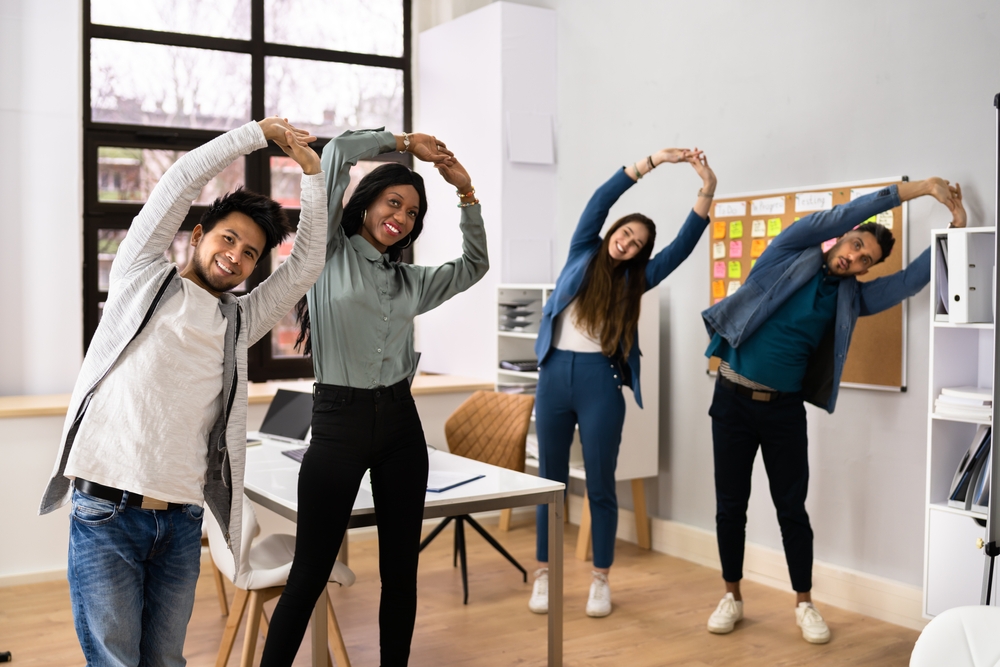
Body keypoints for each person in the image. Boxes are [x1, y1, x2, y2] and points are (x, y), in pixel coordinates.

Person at [38, 117, 327, 665]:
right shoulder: (141, 276)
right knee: (116, 661)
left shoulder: (241, 321)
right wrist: (256, 133)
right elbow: (180, 180)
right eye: (228, 239)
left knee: (167, 661)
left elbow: (307, 263)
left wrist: (312, 177)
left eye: (249, 253)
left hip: (180, 521)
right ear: (198, 236)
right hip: (107, 511)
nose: (236, 256)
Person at [258, 129, 488, 667]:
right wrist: (405, 142)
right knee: (310, 572)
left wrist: (467, 193)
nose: (402, 217)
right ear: (366, 204)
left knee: (400, 572)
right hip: (337, 423)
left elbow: (474, 266)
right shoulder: (326, 251)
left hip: (401, 431)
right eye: (393, 202)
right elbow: (335, 154)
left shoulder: (408, 281)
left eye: (411, 212)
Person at [701, 178, 967, 643]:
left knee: (792, 509)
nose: (855, 258)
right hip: (732, 400)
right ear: (842, 238)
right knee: (731, 507)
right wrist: (923, 188)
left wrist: (956, 227)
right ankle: (731, 595)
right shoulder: (789, 250)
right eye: (856, 245)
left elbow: (909, 281)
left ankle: (804, 603)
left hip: (783, 413)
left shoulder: (851, 298)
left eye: (866, 260)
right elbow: (846, 212)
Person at [529, 147, 717, 617]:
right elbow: (601, 197)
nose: (627, 244)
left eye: (636, 244)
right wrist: (654, 161)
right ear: (613, 231)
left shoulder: (639, 280)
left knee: (600, 486)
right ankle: (545, 573)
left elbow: (682, 247)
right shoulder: (582, 250)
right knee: (548, 481)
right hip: (553, 373)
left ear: (640, 254)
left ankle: (600, 579)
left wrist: (706, 191)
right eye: (625, 233)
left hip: (600, 381)